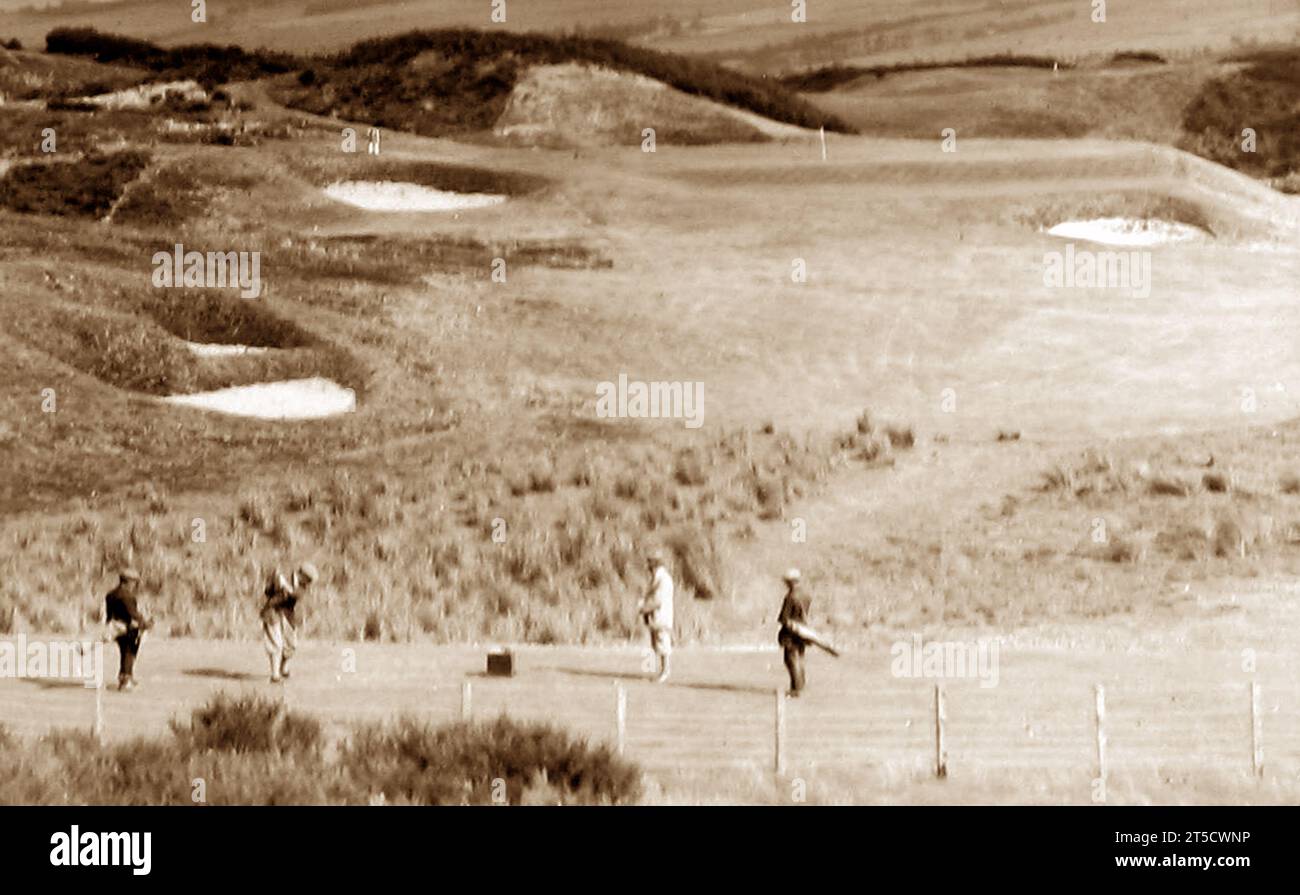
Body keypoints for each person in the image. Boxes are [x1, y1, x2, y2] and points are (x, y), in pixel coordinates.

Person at [261, 562, 317, 683]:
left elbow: (294, 595)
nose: (308, 583)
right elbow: (267, 591)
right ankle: (275, 675)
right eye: (308, 580)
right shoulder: (284, 576)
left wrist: (284, 585)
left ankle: (283, 669)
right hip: (272, 611)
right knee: (276, 643)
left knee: (291, 644)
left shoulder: (302, 587)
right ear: (302, 574)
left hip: (287, 614)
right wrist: (275, 582)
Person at [104, 567, 150, 692]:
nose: (135, 585)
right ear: (128, 581)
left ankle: (124, 677)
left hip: (115, 627)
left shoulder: (111, 594)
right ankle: (126, 680)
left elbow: (108, 614)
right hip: (127, 628)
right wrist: (145, 623)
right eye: (134, 582)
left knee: (124, 652)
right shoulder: (127, 596)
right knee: (129, 653)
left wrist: (109, 626)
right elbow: (133, 614)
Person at [639, 550, 674, 683]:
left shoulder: (663, 579)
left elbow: (658, 600)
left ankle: (665, 671)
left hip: (661, 616)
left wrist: (644, 609)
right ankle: (655, 671)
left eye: (650, 562)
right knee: (655, 644)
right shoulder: (656, 578)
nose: (648, 565)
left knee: (663, 643)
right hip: (654, 617)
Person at [777, 568, 811, 697]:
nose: (785, 584)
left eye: (786, 582)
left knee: (791, 659)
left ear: (790, 582)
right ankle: (800, 686)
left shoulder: (791, 596)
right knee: (800, 658)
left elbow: (784, 617)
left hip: (791, 632)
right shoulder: (806, 595)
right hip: (803, 631)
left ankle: (796, 689)